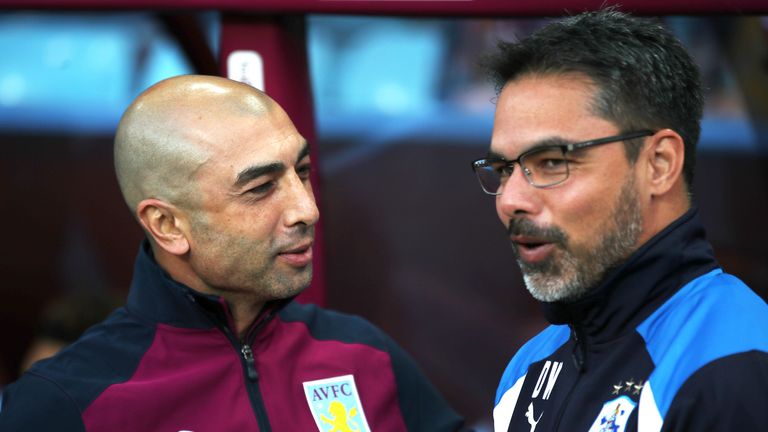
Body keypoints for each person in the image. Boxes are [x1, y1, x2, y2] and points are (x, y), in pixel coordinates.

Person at [0, 75, 464, 431]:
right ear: (168, 225)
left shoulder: (364, 356)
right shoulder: (68, 402)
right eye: (260, 188)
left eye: (301, 172)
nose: (306, 209)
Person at [471, 9, 768, 431]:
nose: (510, 200)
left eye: (553, 162)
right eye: (503, 169)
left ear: (660, 164)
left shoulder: (732, 368)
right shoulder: (527, 369)